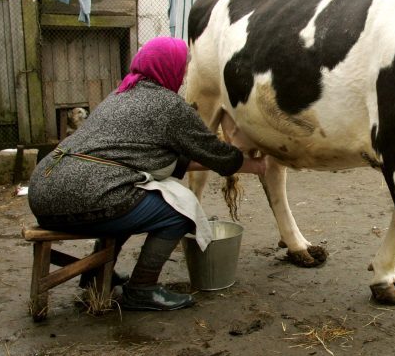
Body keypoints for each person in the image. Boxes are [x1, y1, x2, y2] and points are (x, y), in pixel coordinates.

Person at [27, 36, 264, 311]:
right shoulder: (169, 106)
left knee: (126, 198)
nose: (186, 73)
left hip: (43, 192)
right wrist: (253, 151)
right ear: (169, 68)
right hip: (87, 197)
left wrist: (251, 166)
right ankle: (142, 288)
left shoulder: (119, 95)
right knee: (180, 211)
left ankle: (95, 274)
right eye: (184, 66)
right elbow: (218, 155)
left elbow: (159, 159)